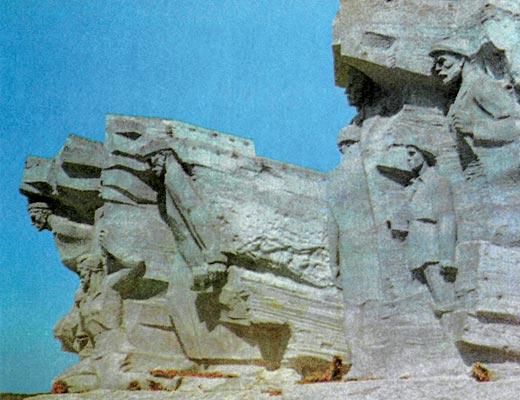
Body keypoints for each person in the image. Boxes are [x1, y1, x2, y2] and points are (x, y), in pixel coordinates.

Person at [388, 145, 456, 312]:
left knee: (445, 300)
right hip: (415, 244)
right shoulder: (413, 186)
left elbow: (446, 217)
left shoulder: (437, 181)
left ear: (424, 154)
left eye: (412, 154)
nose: (408, 159)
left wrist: (447, 256)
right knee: (430, 299)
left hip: (431, 243)